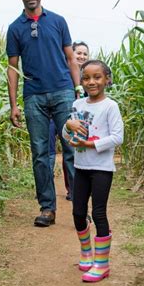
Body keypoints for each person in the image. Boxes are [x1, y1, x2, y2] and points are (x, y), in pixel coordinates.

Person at [6, 0, 84, 227]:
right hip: (34, 96)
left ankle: (80, 208)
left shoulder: (58, 21)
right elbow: (12, 68)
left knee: (72, 148)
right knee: (40, 154)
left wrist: (78, 90)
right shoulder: (15, 28)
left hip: (63, 92)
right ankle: (47, 209)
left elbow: (71, 59)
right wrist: (14, 104)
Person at [63, 60, 123, 282]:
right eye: (86, 78)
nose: (92, 82)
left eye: (97, 77)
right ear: (81, 81)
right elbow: (70, 134)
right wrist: (69, 128)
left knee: (98, 213)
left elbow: (118, 137)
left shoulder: (110, 106)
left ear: (107, 79)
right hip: (81, 167)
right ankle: (86, 253)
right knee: (78, 213)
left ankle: (102, 264)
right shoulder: (78, 104)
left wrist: (90, 145)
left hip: (101, 169)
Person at [49, 41, 90, 201]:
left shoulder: (90, 75)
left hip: (79, 118)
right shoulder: (63, 72)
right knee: (51, 152)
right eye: (78, 53)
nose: (81, 56)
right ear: (71, 55)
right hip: (56, 115)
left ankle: (74, 190)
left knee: (72, 152)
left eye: (85, 54)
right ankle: (48, 190)